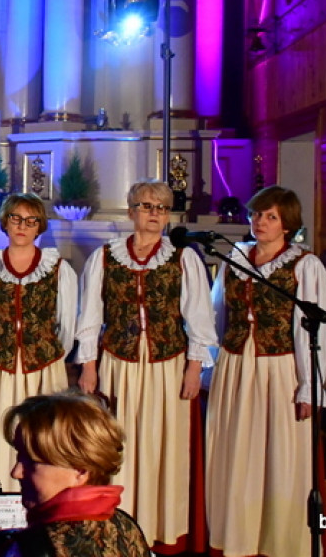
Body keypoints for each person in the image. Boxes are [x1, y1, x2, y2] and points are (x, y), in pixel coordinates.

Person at [76, 179, 216, 554]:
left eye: (161, 208)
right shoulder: (105, 257)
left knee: (162, 445)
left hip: (167, 364)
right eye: (147, 206)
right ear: (131, 211)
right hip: (119, 364)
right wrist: (89, 366)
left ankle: (160, 530)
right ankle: (117, 526)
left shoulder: (183, 258)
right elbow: (89, 316)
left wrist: (194, 367)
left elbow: (199, 319)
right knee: (119, 446)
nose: (154, 214)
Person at [205, 185, 326, 557]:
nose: (260, 222)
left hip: (280, 369)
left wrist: (310, 385)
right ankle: (237, 536)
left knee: (278, 454)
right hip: (235, 366)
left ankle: (279, 541)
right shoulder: (236, 257)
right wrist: (210, 366)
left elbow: (317, 330)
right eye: (257, 214)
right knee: (236, 451)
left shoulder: (304, 265)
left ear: (288, 224)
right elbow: (218, 313)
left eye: (271, 216)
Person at [0, 193, 78, 494]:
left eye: (31, 220)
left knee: (41, 435)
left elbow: (66, 324)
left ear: (39, 226)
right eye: (16, 218)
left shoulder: (57, 268)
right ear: (5, 222)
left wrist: (45, 351)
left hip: (42, 367)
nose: (22, 226)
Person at [1, 391, 151, 557]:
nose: (16, 473)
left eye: (32, 462)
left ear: (80, 470)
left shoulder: (35, 547)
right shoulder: (125, 525)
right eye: (19, 457)